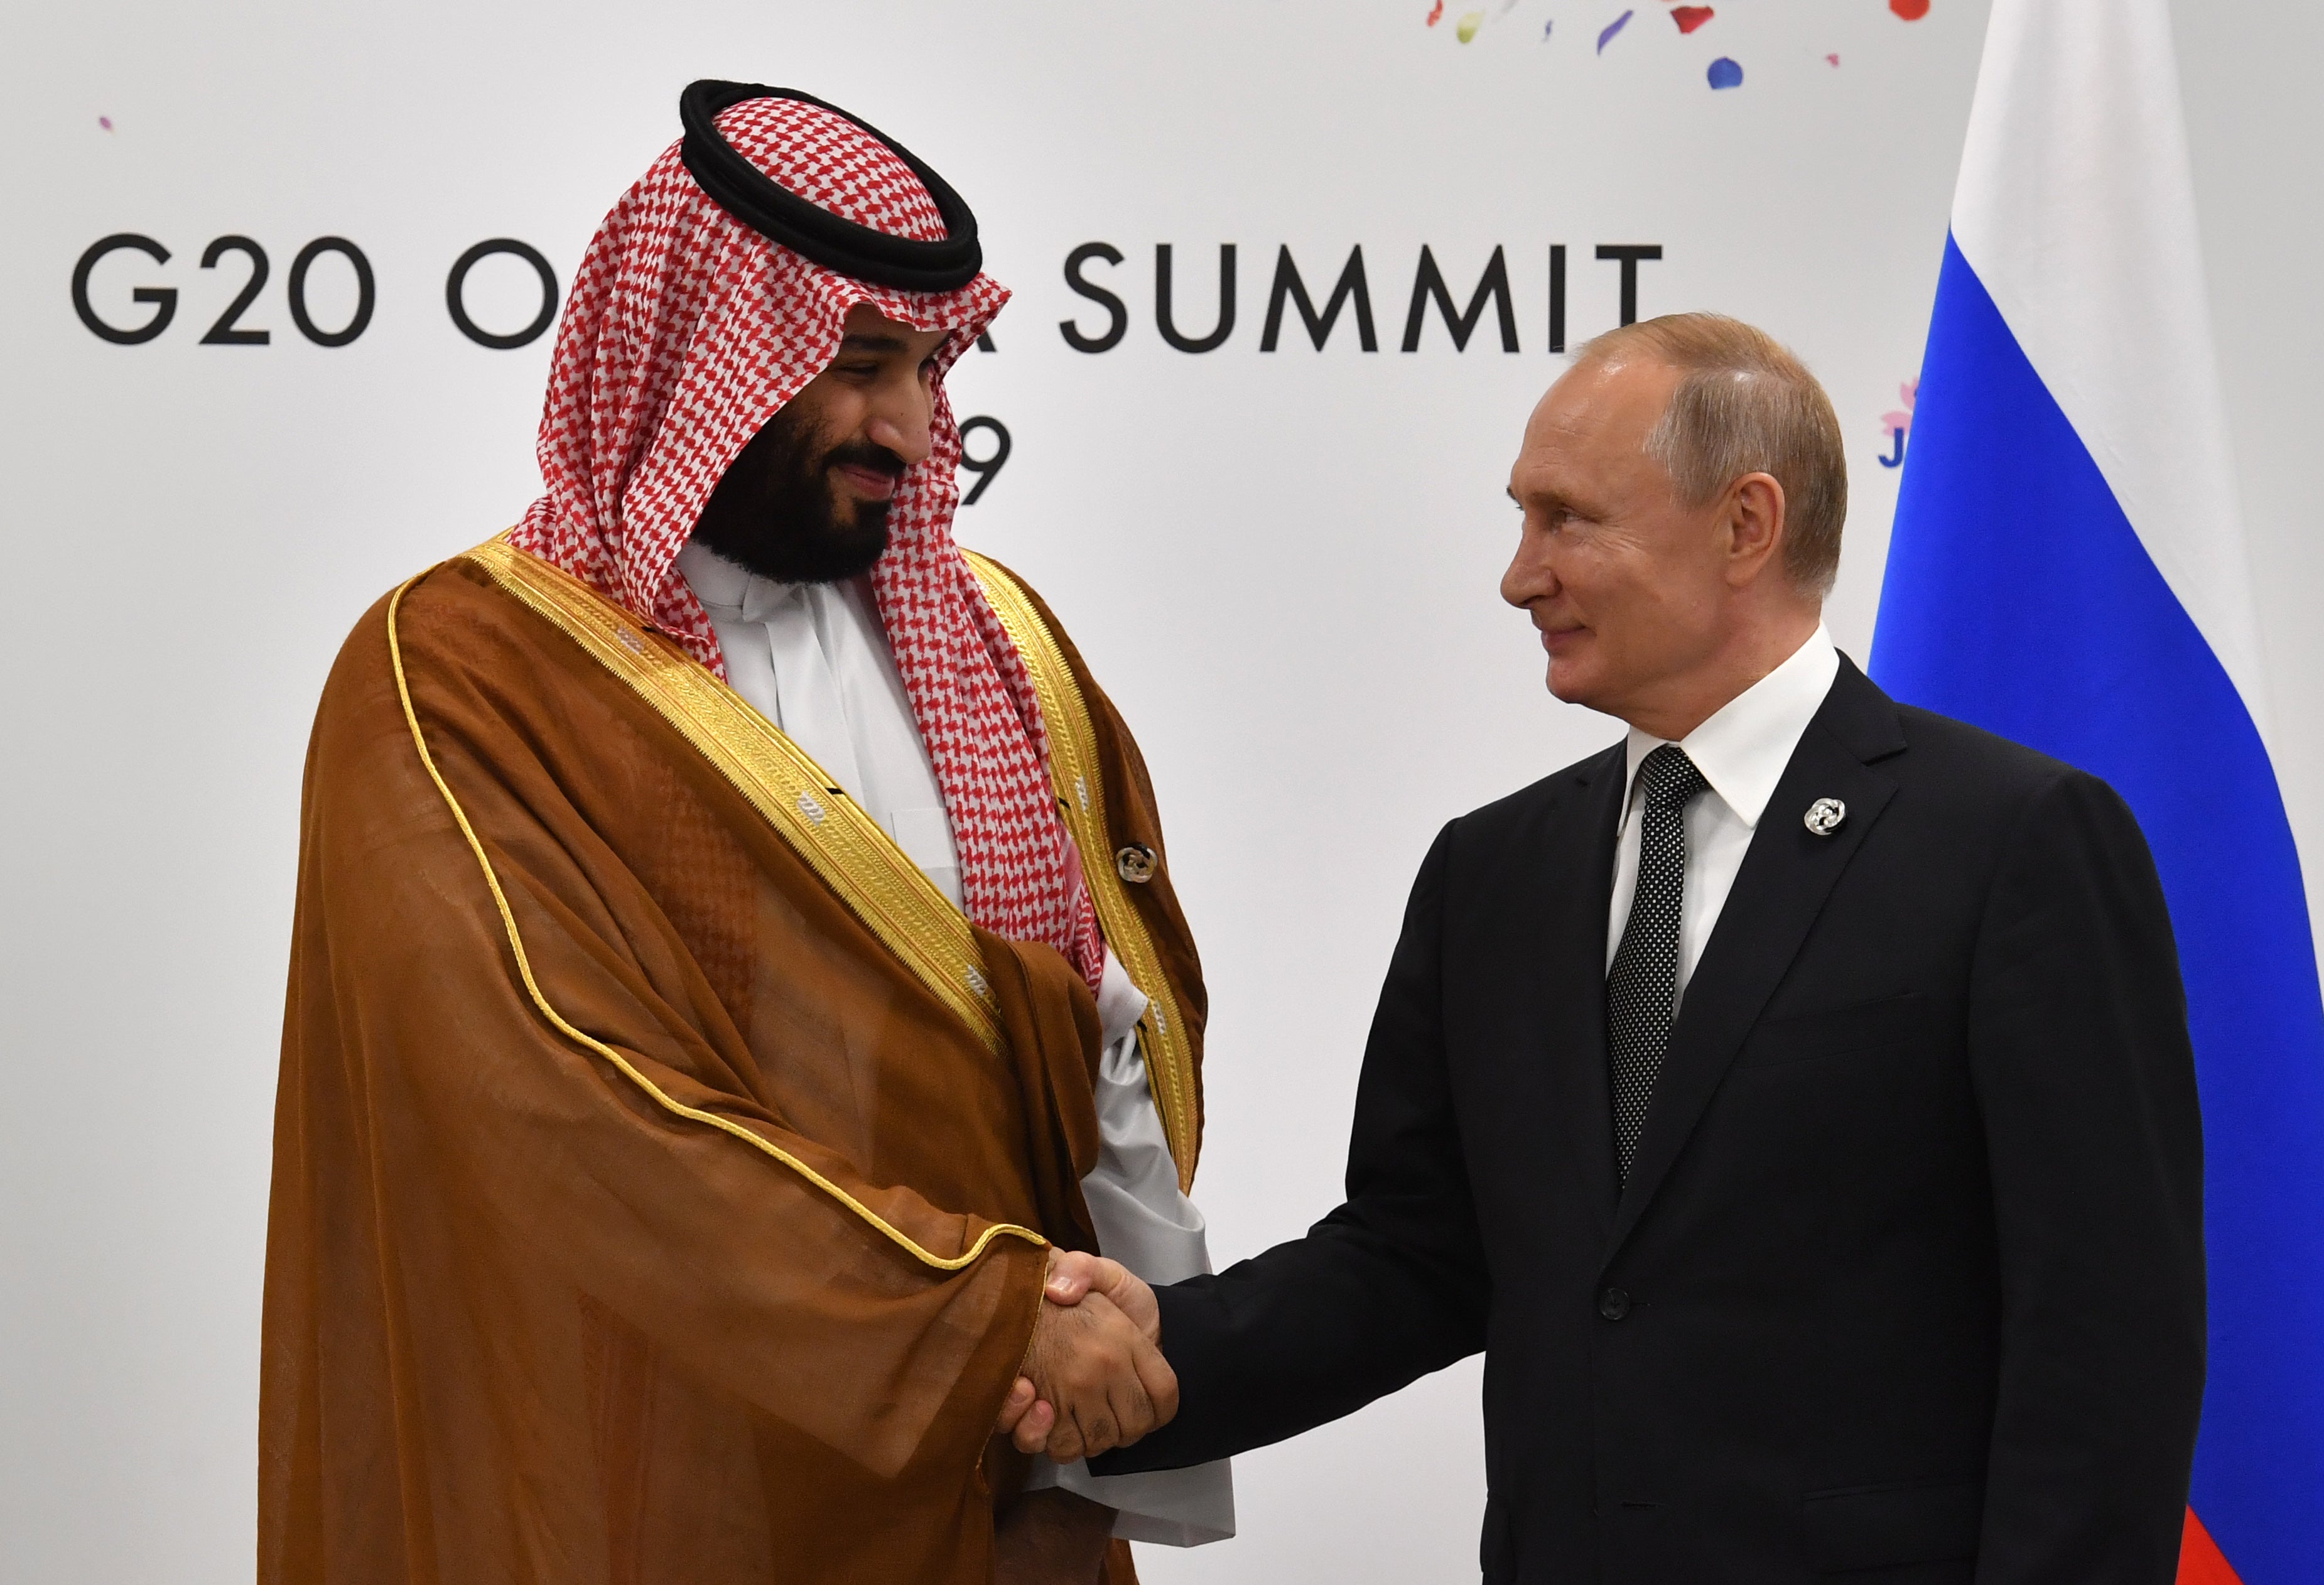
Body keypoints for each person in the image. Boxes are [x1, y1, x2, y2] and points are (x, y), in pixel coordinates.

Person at [261, 82, 1229, 1585]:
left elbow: (1111, 1052)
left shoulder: (1005, 651)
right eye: (857, 365)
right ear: (701, 351)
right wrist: (980, 1316)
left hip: (995, 1501)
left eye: (930, 366)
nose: (908, 424)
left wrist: (1096, 1455)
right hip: (638, 1488)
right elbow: (562, 1098)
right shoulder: (456, 670)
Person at [1059, 313, 2207, 1582]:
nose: (1519, 573)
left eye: (1570, 519)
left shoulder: (2014, 844)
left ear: (1745, 525)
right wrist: (1166, 1345)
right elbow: (1419, 1253)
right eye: (1522, 517)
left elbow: (2104, 1342)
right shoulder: (1492, 871)